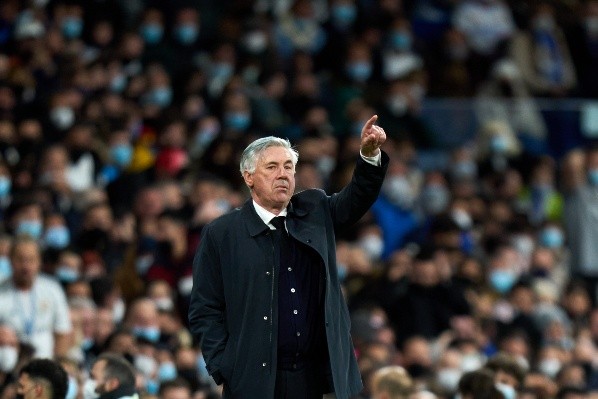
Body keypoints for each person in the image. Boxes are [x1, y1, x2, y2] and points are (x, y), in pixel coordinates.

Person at [188, 115, 388, 398]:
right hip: (252, 382)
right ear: (249, 177)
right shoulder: (222, 233)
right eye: (272, 167)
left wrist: (369, 157)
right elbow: (205, 307)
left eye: (289, 167)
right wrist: (223, 366)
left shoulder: (316, 209)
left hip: (313, 378)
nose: (283, 174)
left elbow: (356, 199)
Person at [0, 236, 72, 358]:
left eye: (31, 260)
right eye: (20, 259)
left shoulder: (53, 289)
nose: (25, 266)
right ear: (10, 260)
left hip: (44, 362)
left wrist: (56, 366)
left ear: (39, 261)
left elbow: (63, 332)